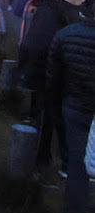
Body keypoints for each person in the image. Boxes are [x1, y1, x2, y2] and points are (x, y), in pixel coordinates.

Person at [19, 0, 92, 177]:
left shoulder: (59, 7)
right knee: (46, 120)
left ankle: (59, 159)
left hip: (60, 79)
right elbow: (37, 46)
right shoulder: (52, 12)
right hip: (50, 79)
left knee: (55, 120)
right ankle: (39, 165)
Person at [47, 13, 95, 213]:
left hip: (75, 105)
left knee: (77, 160)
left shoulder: (65, 35)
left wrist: (55, 104)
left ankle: (75, 206)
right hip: (77, 105)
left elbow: (53, 75)